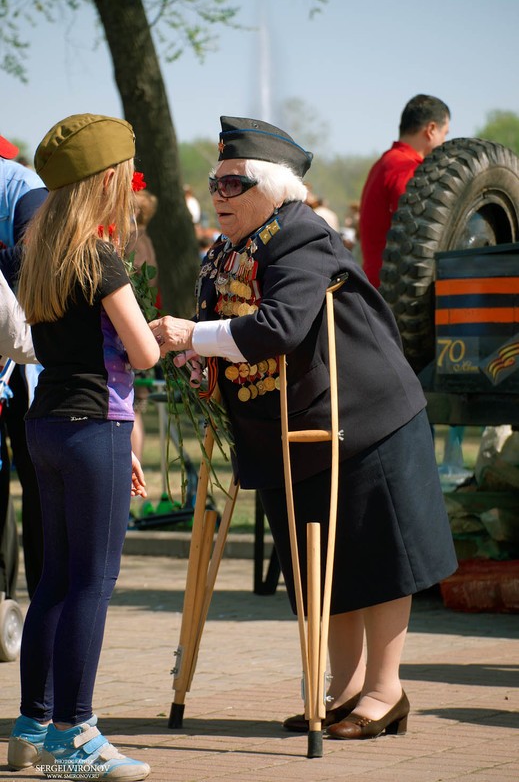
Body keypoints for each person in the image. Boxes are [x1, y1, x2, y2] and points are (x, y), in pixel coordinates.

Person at [149, 116, 458, 740]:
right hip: (295, 431)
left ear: (268, 187)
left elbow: (282, 324)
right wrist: (198, 357)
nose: (217, 194)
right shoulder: (228, 249)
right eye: (214, 182)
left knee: (378, 560)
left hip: (366, 421)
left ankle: (384, 691)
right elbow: (228, 329)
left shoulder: (300, 235)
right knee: (324, 566)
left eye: (232, 184)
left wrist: (194, 335)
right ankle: (341, 692)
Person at [8, 113, 159, 780]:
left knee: (54, 581)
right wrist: (167, 334)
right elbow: (144, 353)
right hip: (94, 424)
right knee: (92, 582)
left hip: (46, 424)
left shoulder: (33, 250)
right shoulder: (99, 256)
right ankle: (77, 733)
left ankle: (32, 723)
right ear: (106, 181)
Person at [0, 132, 48, 599]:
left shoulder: (21, 183)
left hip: (26, 362)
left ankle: (42, 595)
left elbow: (32, 256)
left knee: (35, 478)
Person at [359, 94, 450, 288]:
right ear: (431, 130)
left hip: (377, 286)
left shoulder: (385, 163)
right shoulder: (408, 169)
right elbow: (422, 227)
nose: (444, 142)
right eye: (445, 134)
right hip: (394, 294)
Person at [125, 188, 160, 462]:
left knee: (132, 407)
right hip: (137, 323)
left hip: (133, 325)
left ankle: (131, 465)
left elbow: (136, 283)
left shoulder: (136, 240)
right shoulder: (142, 239)